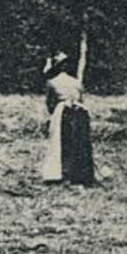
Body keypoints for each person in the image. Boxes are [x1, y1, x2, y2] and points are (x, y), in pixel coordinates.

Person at [41, 51, 96, 186]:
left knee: (61, 143)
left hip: (63, 113)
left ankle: (61, 173)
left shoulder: (52, 82)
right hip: (79, 113)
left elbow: (50, 104)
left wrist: (52, 116)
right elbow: (81, 99)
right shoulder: (76, 82)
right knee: (79, 143)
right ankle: (80, 175)